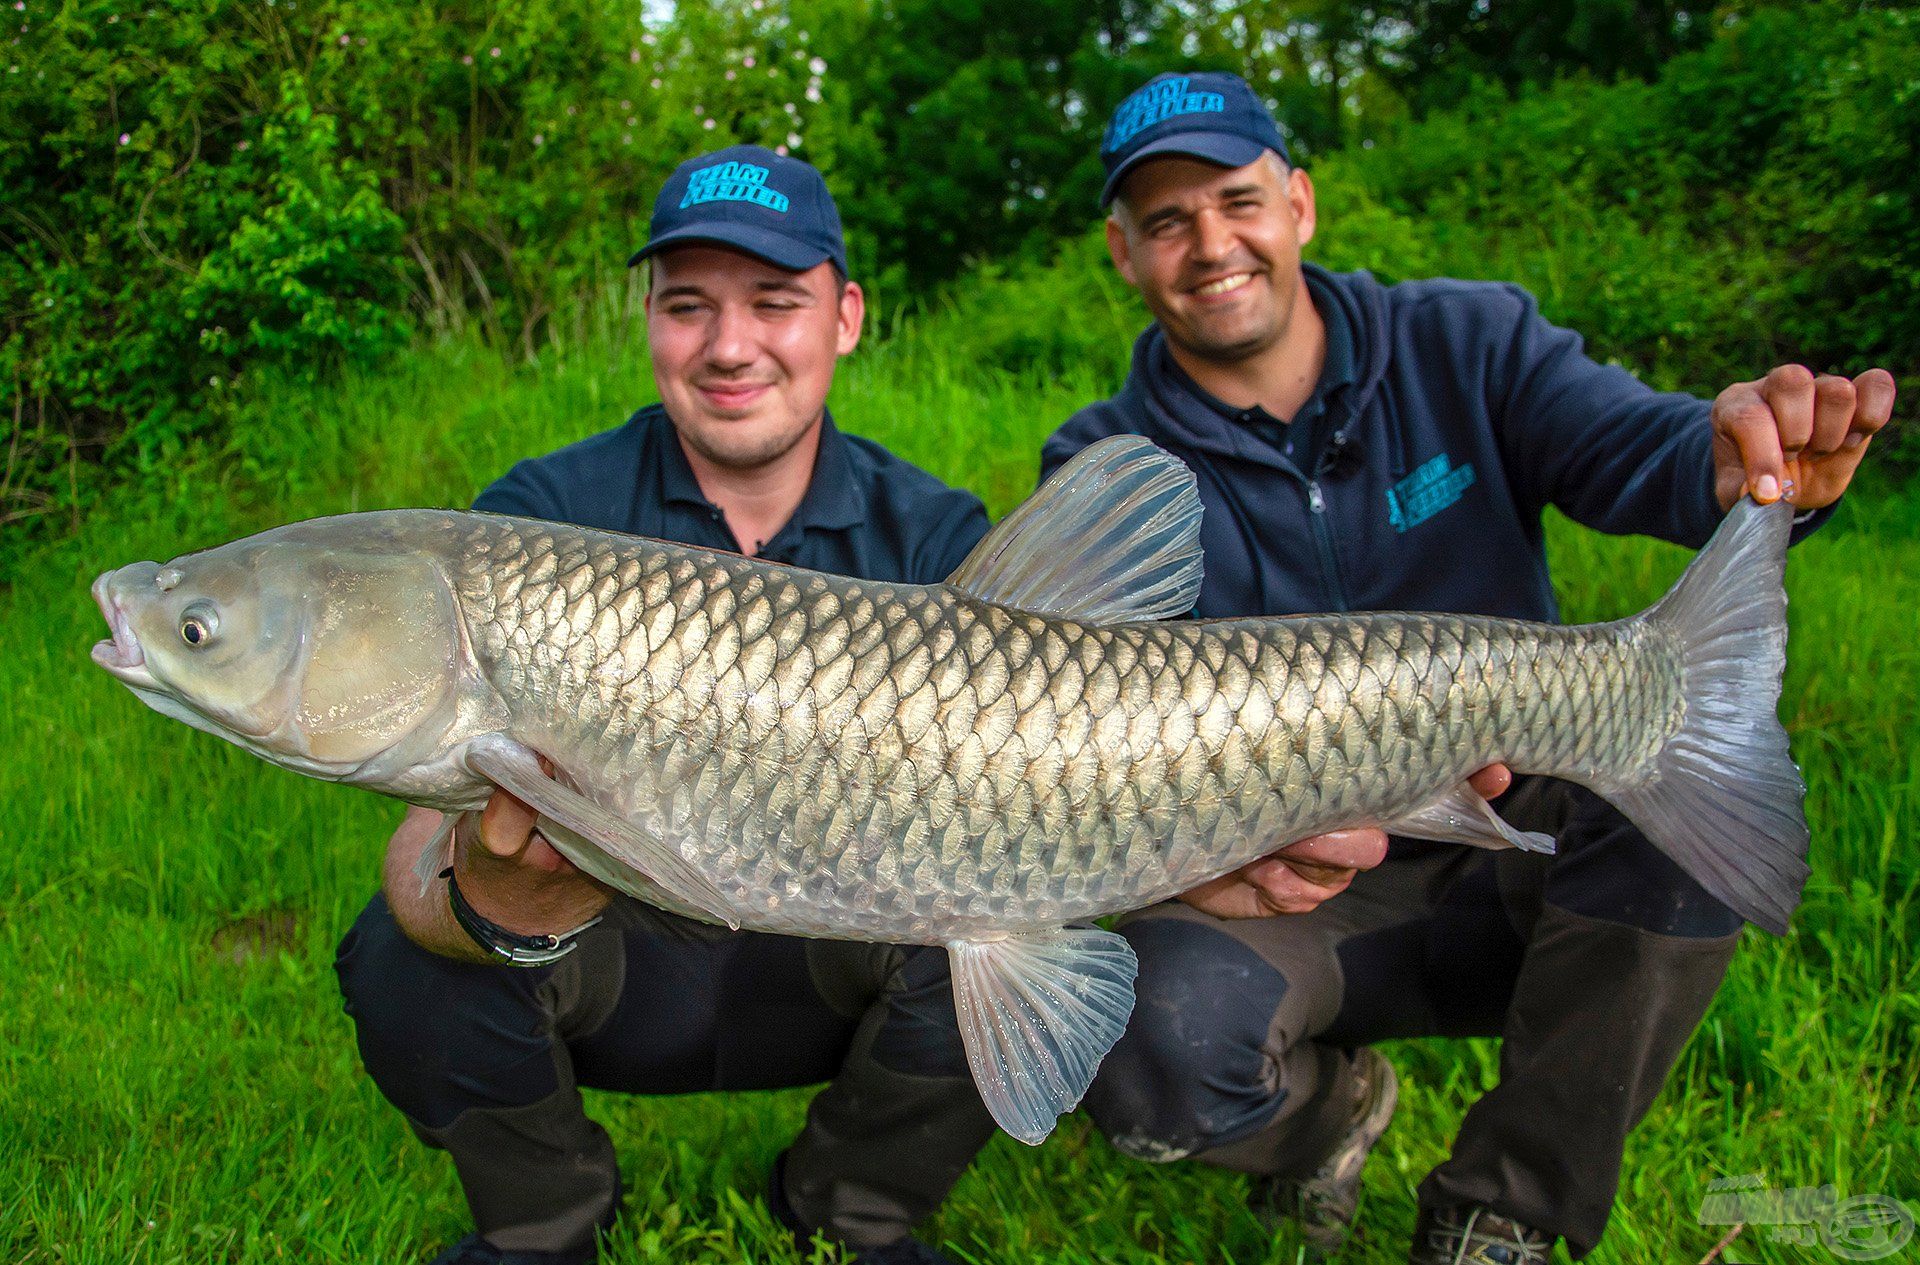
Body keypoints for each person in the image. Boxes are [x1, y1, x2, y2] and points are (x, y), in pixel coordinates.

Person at [1045, 71, 1895, 1265]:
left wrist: (1735, 463)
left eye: (1235, 199)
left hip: (1523, 830)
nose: (1210, 243)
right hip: (1299, 876)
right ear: (1123, 253)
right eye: (1167, 221)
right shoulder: (1103, 463)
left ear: (1299, 203)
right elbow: (1102, 745)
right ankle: (1328, 1120)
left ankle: (1505, 1208)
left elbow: (1635, 445)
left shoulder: (1465, 341)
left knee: (1661, 817)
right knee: (1143, 1042)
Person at [332, 145, 999, 1265]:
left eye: (775, 302)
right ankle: (542, 1224)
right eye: (688, 305)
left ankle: (853, 1208)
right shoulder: (542, 520)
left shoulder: (933, 536)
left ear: (845, 315)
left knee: (1017, 914)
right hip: (619, 950)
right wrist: (489, 899)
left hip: (837, 956)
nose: (729, 347)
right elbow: (419, 845)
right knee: (404, 954)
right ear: (648, 317)